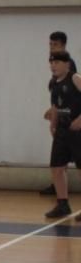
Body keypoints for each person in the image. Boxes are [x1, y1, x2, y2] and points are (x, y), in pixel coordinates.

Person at [43, 51, 81, 219]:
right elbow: (55, 107)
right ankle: (62, 204)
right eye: (51, 63)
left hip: (78, 130)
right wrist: (53, 124)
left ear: (67, 64)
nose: (53, 65)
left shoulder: (75, 78)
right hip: (62, 131)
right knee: (57, 167)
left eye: (57, 62)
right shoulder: (53, 83)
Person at [42, 32, 78, 195]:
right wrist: (53, 118)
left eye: (54, 44)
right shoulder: (54, 79)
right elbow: (58, 99)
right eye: (50, 44)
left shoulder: (72, 73)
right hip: (62, 126)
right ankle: (62, 202)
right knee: (57, 165)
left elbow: (71, 95)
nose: (51, 47)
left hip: (76, 125)